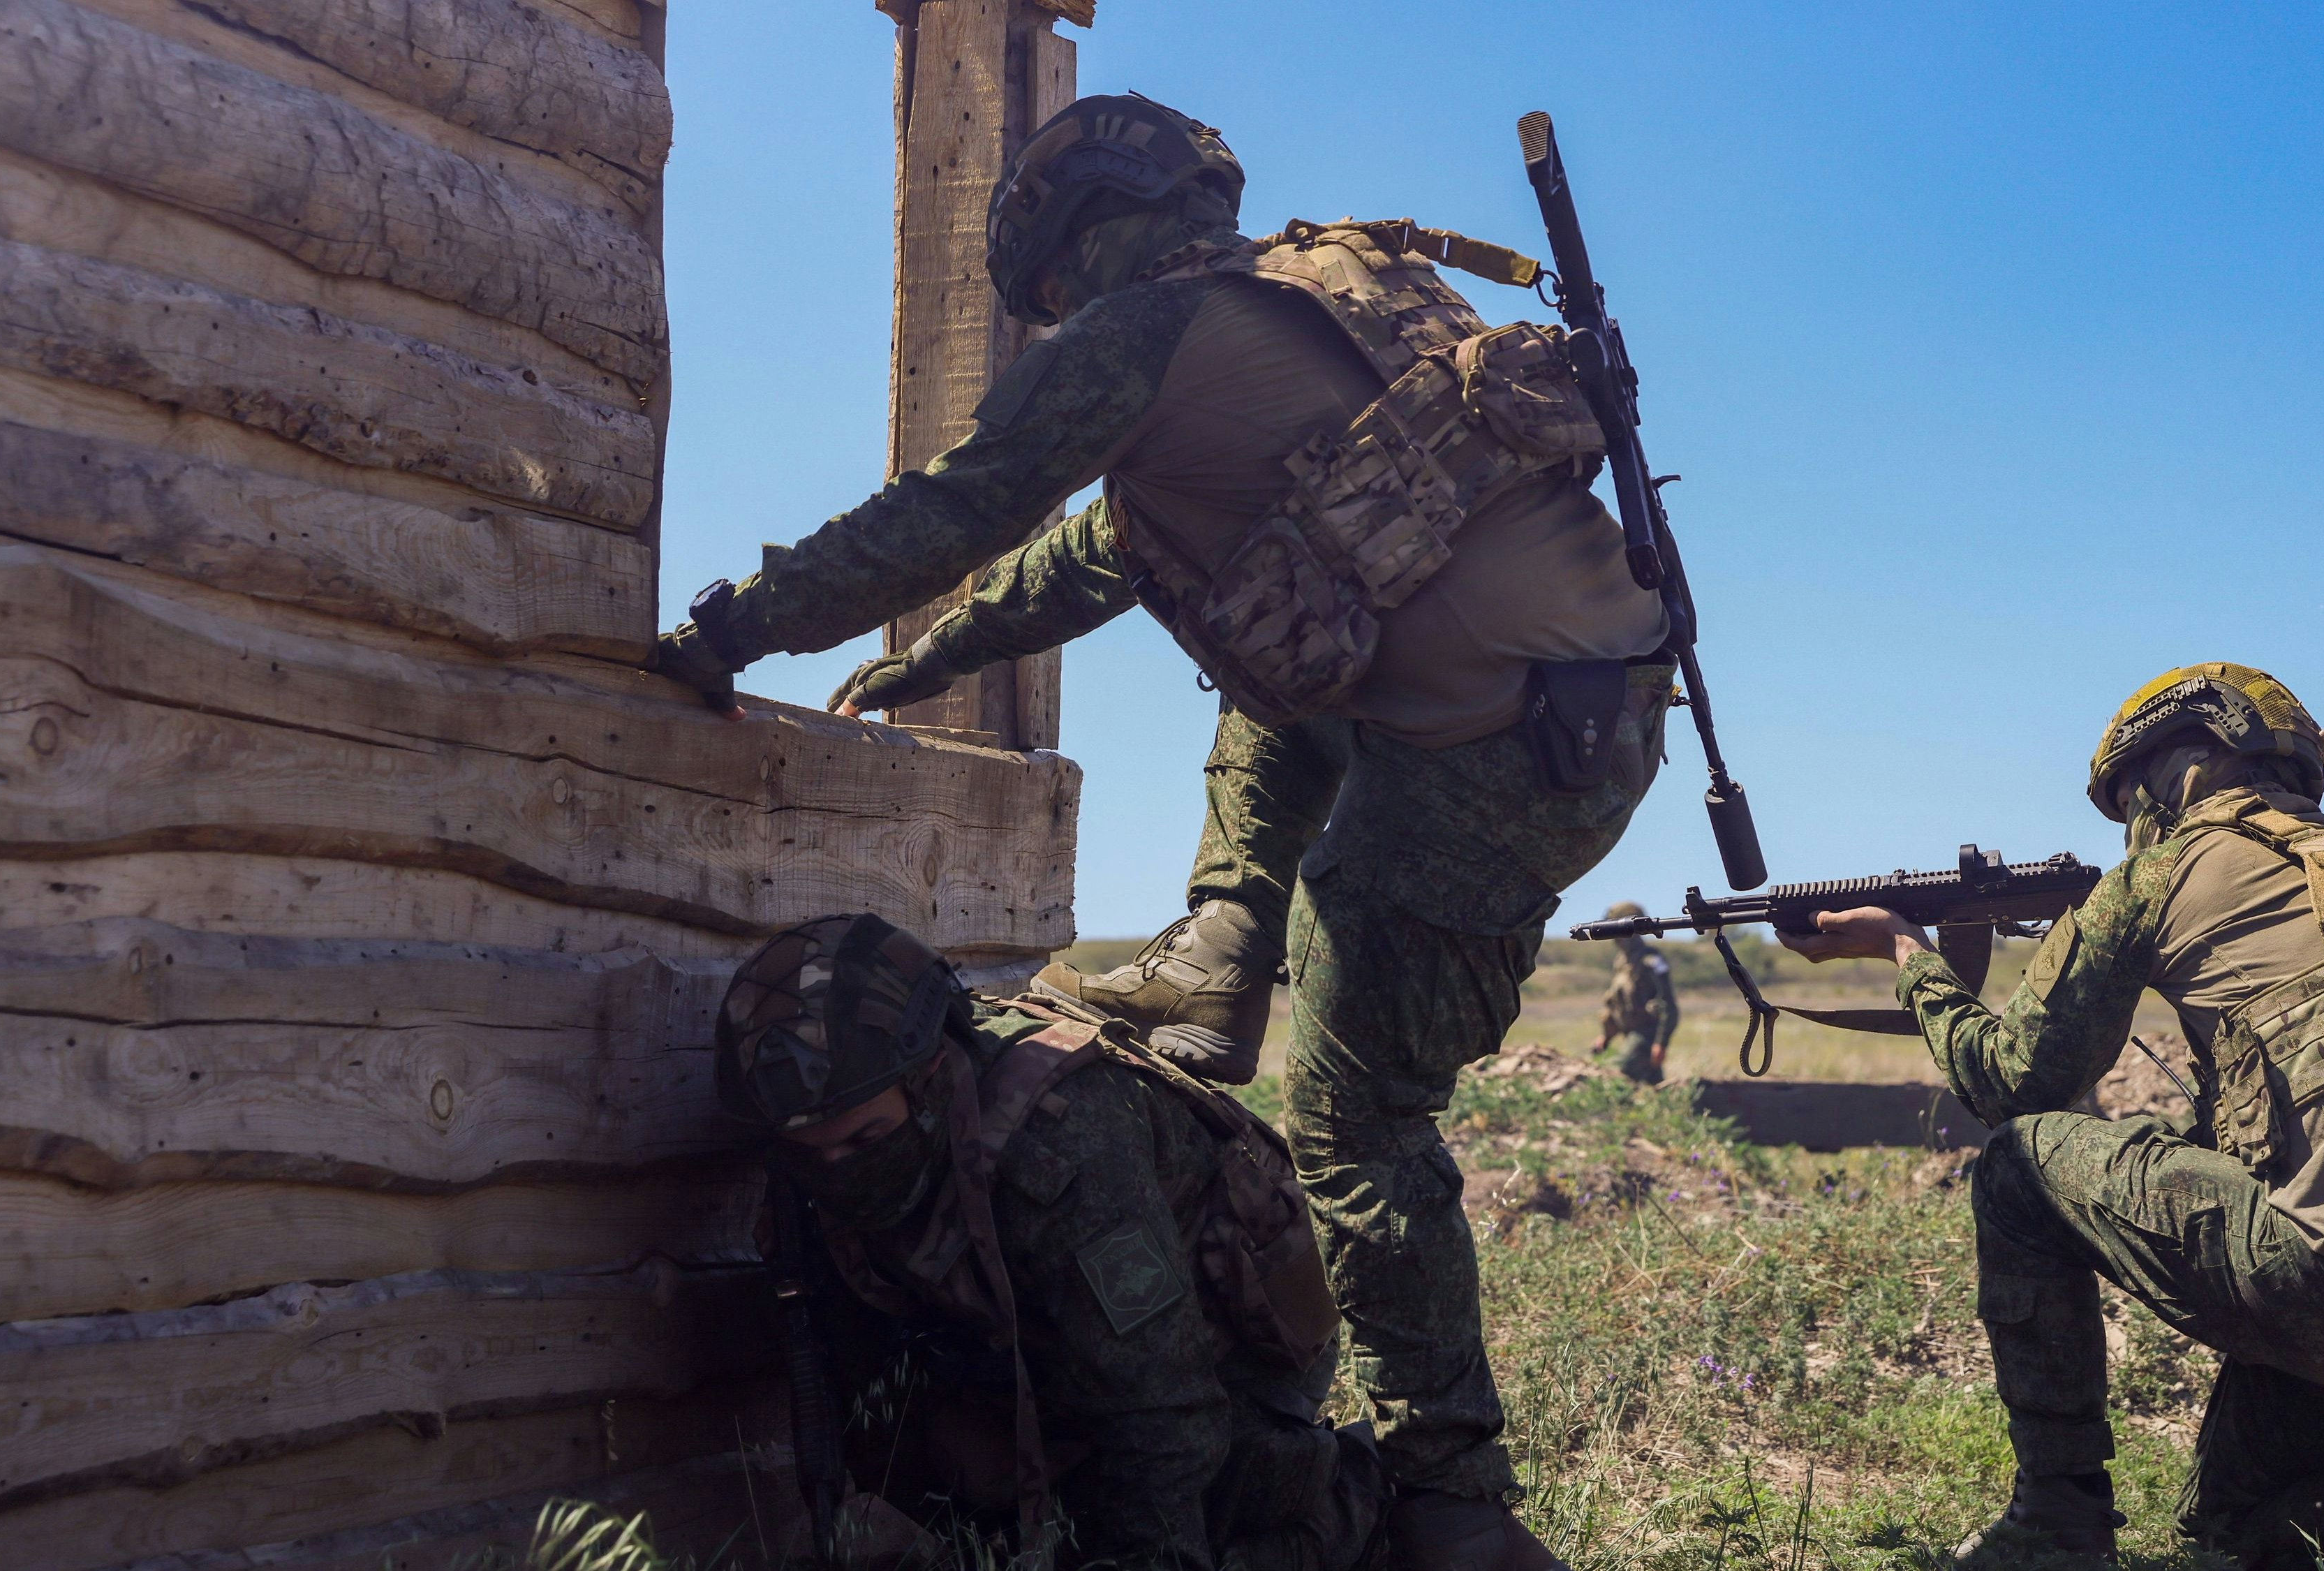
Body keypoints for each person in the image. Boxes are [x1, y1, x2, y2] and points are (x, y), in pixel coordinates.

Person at [658, 93, 1668, 1556]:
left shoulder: (1136, 336)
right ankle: (1225, 940)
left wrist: (729, 633)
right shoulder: (1322, 297)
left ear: (1079, 250)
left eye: (1051, 296)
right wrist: (930, 660)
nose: (1054, 320)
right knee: (1267, 618)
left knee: (1357, 1123)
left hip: (1490, 766)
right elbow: (1102, 555)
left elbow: (959, 506)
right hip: (1590, 700)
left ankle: (1452, 1507)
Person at [1775, 663, 2324, 1567]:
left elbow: (2011, 1083)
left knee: (2021, 1163)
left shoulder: (2161, 873)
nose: (2137, 815)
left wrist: (1905, 950)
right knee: (2236, 1534)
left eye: (2131, 793)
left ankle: (2056, 1519)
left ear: (2180, 766)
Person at [716, 912, 1387, 1571]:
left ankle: (1365, 1493)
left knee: (1214, 1502)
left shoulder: (1063, 1142)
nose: (840, 1172)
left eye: (865, 1141)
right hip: (1057, 1345)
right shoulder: (817, 1157)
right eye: (815, 1156)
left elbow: (1168, 1408)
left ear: (931, 1078)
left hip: (1231, 1350)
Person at [1592, 902, 1679, 1085]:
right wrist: (1606, 1037)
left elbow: (1669, 1005)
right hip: (1631, 1035)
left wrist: (1661, 1043)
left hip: (1646, 1036)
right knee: (1655, 1087)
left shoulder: (1651, 960)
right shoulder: (1622, 962)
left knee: (1616, 1074)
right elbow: (1616, 1003)